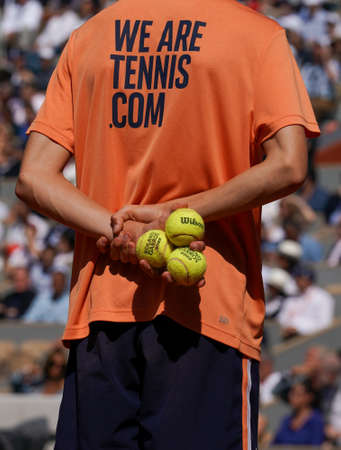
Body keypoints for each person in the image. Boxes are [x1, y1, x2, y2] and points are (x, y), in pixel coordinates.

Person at [15, 0, 320, 448]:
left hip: (102, 310)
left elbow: (32, 176)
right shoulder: (257, 35)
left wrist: (123, 231)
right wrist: (175, 216)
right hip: (206, 304)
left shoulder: (89, 37)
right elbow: (290, 165)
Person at [277, 265, 334, 339]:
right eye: (296, 277)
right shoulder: (291, 297)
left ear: (309, 279)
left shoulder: (322, 297)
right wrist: (287, 328)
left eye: (300, 277)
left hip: (311, 339)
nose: (297, 280)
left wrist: (299, 329)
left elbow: (325, 324)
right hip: (286, 337)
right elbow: (282, 318)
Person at [272, 379, 325, 446]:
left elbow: (316, 445)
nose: (292, 397)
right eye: (291, 394)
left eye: (297, 394)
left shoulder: (316, 420)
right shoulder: (286, 420)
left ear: (309, 397)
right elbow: (275, 444)